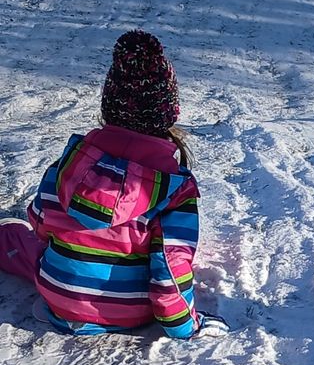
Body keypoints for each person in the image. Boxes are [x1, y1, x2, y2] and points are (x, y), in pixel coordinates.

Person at [0, 30, 227, 338]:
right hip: (132, 311)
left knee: (21, 239)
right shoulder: (174, 187)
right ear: (168, 113)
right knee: (171, 249)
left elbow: (40, 220)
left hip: (58, 298)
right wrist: (186, 327)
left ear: (109, 106)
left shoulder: (72, 163)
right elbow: (170, 271)